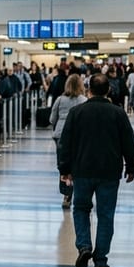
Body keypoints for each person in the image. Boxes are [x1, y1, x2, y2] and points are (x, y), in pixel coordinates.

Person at [57, 74, 134, 267]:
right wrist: (131, 166)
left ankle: (84, 245)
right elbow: (129, 141)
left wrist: (64, 169)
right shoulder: (118, 113)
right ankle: (101, 259)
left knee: (81, 209)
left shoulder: (77, 112)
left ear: (89, 90)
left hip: (82, 170)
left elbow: (65, 142)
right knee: (105, 214)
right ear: (109, 91)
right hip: (109, 172)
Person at [49, 74, 87, 208]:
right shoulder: (84, 100)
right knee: (77, 164)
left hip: (60, 135)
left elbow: (52, 118)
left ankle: (66, 195)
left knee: (63, 165)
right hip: (78, 136)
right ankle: (79, 193)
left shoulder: (60, 99)